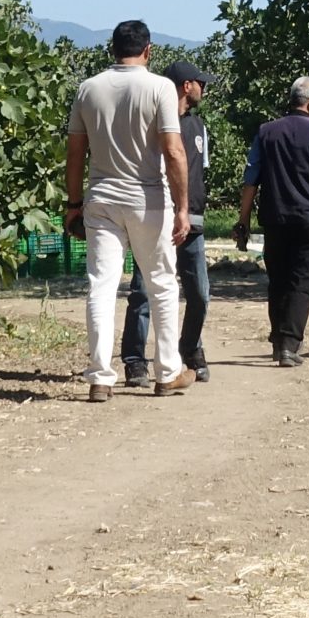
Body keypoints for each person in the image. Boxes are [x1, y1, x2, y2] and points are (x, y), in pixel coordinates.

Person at [63, 20, 195, 401]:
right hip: (148, 197)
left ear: (112, 49)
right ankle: (168, 371)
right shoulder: (159, 88)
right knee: (162, 284)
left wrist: (74, 204)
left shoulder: (88, 89)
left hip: (101, 197)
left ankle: (100, 376)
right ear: (149, 50)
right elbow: (172, 150)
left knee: (101, 286)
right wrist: (182, 207)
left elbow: (75, 154)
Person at [235, 75, 309, 366]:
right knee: (302, 281)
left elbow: (250, 181)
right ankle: (289, 344)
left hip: (275, 218)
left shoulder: (266, 132)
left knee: (278, 280)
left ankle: (279, 340)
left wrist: (244, 220)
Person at [121, 59, 214, 386]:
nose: (205, 87)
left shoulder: (199, 125)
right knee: (143, 292)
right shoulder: (153, 121)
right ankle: (135, 361)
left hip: (194, 221)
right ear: (186, 85)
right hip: (156, 217)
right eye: (201, 82)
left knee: (199, 293)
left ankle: (189, 349)